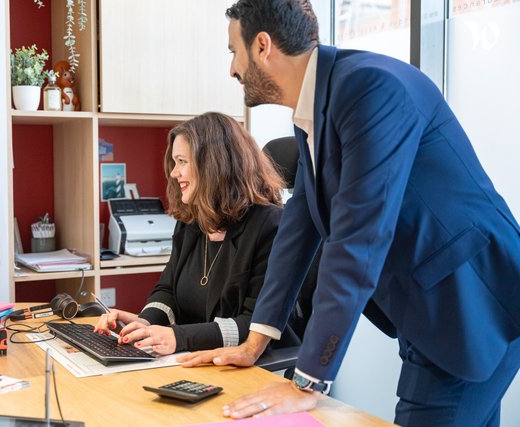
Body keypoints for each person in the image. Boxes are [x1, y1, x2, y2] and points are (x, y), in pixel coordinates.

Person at [178, 1, 520, 426]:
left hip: (473, 306)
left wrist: (307, 382)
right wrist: (256, 340)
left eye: (234, 51)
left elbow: (358, 238)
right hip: (429, 309)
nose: (232, 69)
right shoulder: (316, 109)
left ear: (262, 46)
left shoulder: (369, 89)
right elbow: (299, 226)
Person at [95, 111, 300, 355]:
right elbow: (167, 290)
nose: (174, 172)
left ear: (213, 165)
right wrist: (146, 322)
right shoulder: (193, 220)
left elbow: (254, 324)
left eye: (182, 162)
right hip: (199, 359)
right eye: (174, 162)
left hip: (254, 368)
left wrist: (179, 338)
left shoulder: (270, 225)